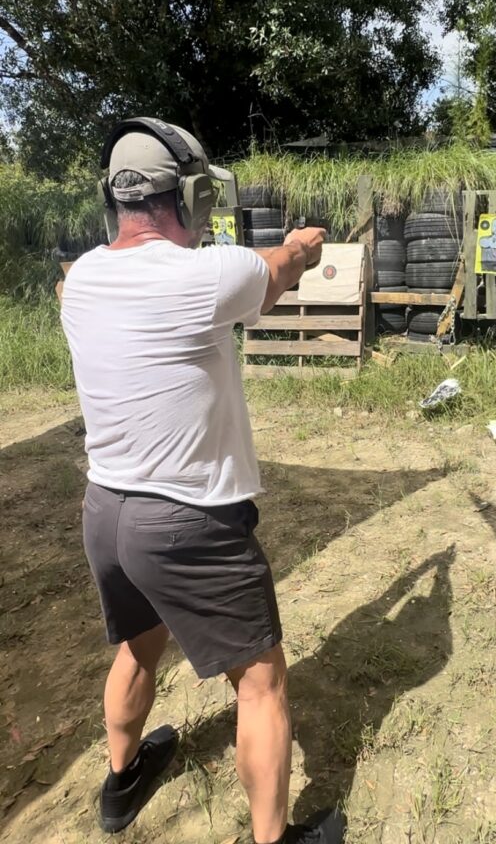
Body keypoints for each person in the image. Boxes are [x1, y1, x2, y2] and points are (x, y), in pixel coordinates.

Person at [60, 120, 345, 844]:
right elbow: (277, 269)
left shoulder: (82, 276)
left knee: (136, 649)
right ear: (187, 195)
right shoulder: (210, 273)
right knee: (260, 683)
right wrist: (307, 245)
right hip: (189, 521)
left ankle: (122, 786)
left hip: (107, 512)